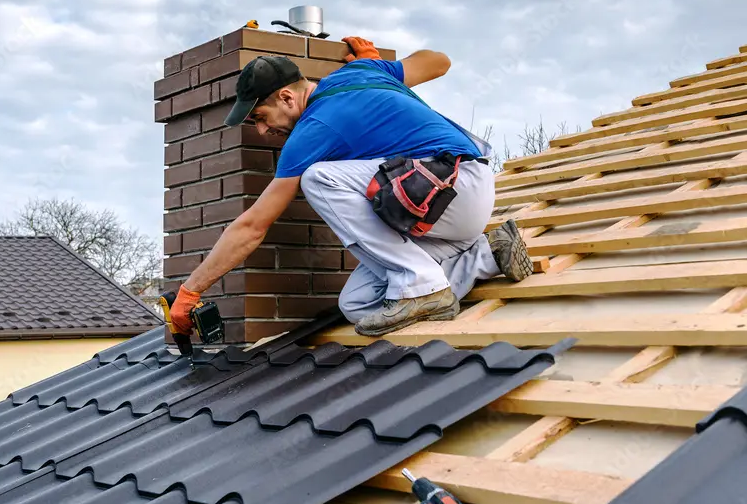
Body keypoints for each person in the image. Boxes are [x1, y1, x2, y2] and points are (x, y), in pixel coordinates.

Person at [168, 36, 532, 338]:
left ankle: (422, 284)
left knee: (319, 177)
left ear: (286, 97)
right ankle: (486, 255)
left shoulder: (313, 130)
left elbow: (252, 226)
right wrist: (383, 69)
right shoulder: (363, 70)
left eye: (260, 118)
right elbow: (439, 61)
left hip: (453, 186)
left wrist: (191, 290)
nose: (263, 132)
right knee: (357, 304)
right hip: (447, 211)